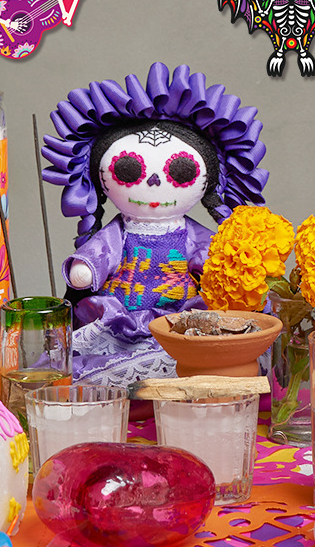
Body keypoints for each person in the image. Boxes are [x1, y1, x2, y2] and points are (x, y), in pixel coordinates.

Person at [42, 63, 270, 386]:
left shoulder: (192, 235)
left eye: (180, 172)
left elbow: (211, 260)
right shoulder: (118, 234)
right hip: (121, 320)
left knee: (192, 350)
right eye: (128, 170)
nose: (152, 181)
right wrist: (87, 268)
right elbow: (100, 253)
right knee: (93, 363)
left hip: (181, 321)